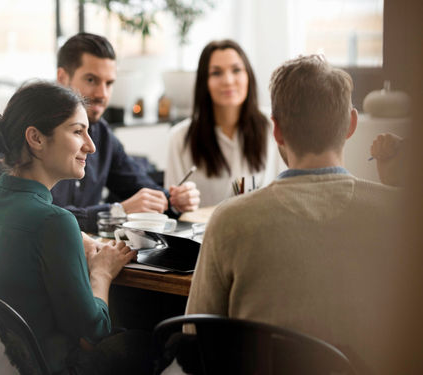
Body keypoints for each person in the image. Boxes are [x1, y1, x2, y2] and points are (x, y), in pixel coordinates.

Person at [185, 55, 402, 374]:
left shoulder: (229, 219)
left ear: (277, 130)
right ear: (352, 124)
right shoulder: (400, 213)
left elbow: (195, 338)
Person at [0, 81, 151, 374]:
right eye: (78, 131)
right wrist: (102, 271)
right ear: (36, 138)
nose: (91, 145)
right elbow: (94, 332)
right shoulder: (54, 223)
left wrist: (74, 237)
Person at [52, 32, 200, 232]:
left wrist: (174, 201)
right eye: (91, 80)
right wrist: (117, 212)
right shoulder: (39, 137)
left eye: (109, 83)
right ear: (62, 78)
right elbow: (45, 219)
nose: (102, 94)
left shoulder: (102, 134)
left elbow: (140, 186)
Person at [164, 39, 284, 207]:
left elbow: (286, 190)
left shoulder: (273, 126)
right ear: (204, 82)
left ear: (248, 75)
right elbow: (173, 207)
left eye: (236, 70)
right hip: (203, 232)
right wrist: (179, 201)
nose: (228, 80)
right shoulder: (180, 138)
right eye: (216, 73)